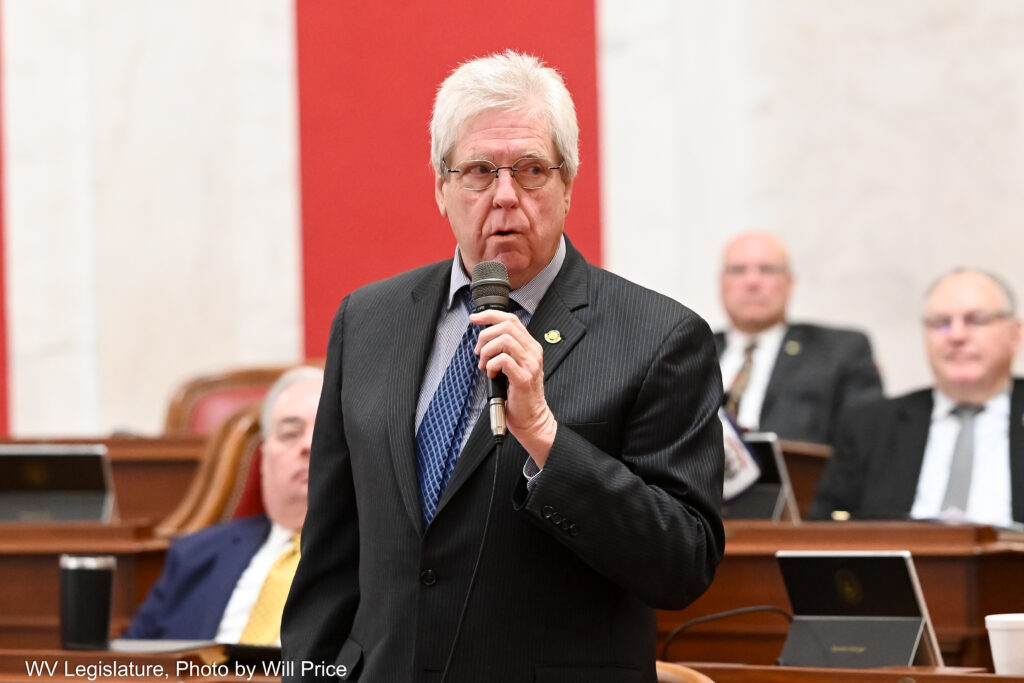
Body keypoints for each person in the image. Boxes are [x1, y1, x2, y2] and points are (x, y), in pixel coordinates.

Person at [281, 51, 725, 683]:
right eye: (480, 171)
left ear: (569, 184)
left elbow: (684, 562)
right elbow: (330, 553)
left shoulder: (659, 338)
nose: (506, 197)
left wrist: (546, 437)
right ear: (441, 187)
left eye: (532, 171)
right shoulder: (368, 320)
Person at [122, 365, 323, 642]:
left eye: (326, 433)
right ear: (263, 459)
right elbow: (125, 664)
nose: (309, 445)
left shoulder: (386, 558)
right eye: (290, 434)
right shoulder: (194, 555)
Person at [811, 269, 1024, 527]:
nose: (956, 336)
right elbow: (823, 531)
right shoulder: (869, 427)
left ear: (1014, 334)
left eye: (976, 320)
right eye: (940, 323)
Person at [715, 231, 883, 445]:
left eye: (766, 270)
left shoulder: (838, 351)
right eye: (738, 270)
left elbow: (865, 442)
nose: (752, 281)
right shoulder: (689, 350)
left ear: (789, 282)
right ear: (721, 283)